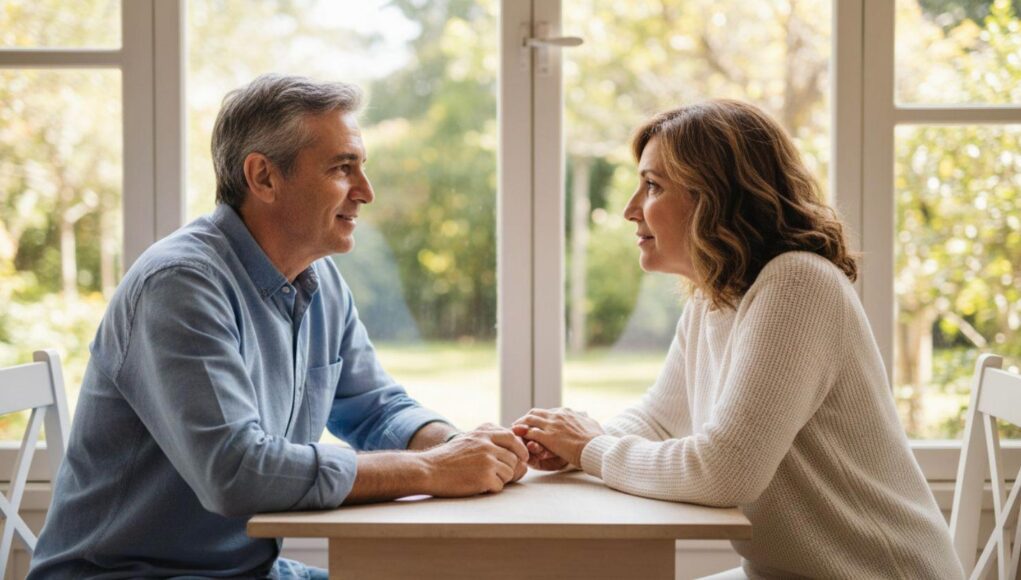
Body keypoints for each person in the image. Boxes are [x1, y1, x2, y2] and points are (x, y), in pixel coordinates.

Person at [28, 74, 528, 579]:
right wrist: (431, 470)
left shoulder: (319, 278)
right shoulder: (180, 286)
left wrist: (456, 446)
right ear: (263, 177)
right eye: (342, 168)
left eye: (362, 168)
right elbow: (237, 472)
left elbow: (376, 407)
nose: (366, 192)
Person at [513, 100, 964, 579]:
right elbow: (661, 419)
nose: (630, 209)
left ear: (717, 196)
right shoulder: (716, 294)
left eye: (652, 185)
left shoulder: (798, 284)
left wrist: (591, 448)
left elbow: (726, 470)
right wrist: (567, 444)